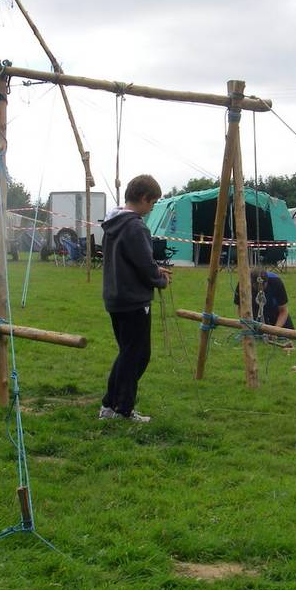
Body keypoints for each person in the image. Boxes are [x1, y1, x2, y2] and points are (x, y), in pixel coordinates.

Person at [99, 175, 171, 422]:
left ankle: (110, 406)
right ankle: (123, 409)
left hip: (115, 297)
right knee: (137, 356)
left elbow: (130, 261)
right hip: (133, 301)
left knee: (127, 354)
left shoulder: (113, 223)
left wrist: (156, 269)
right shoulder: (135, 226)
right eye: (152, 203)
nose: (152, 209)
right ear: (143, 198)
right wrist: (160, 278)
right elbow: (144, 265)